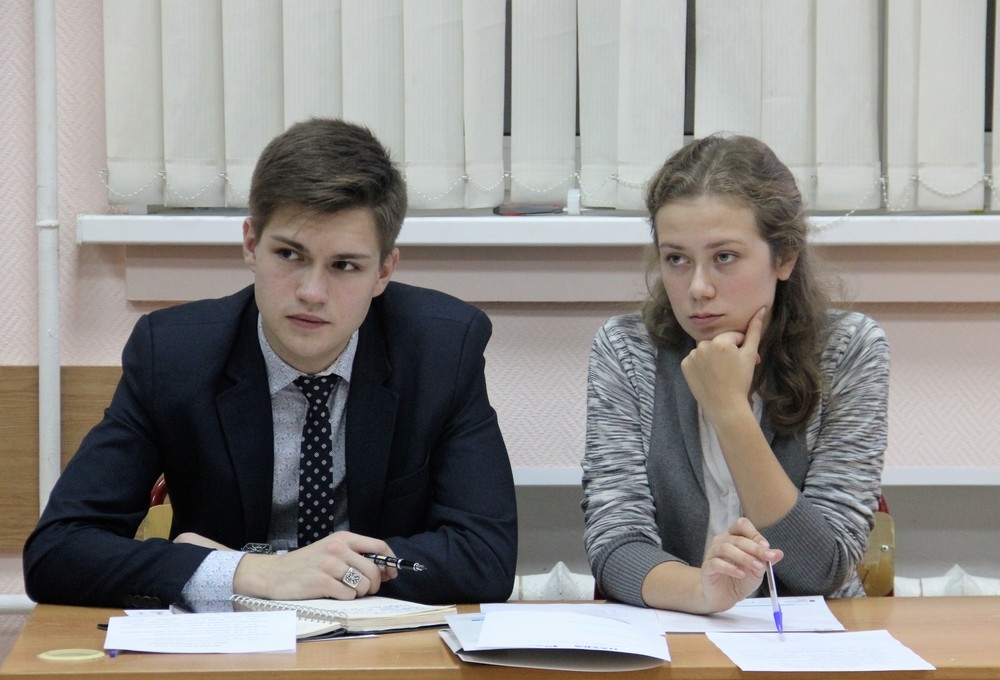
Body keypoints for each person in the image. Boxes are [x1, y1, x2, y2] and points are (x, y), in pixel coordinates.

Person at [24, 118, 518, 610]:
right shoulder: (173, 355)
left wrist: (325, 575)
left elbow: (486, 558)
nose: (312, 292)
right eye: (289, 254)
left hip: (378, 640)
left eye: (345, 265)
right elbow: (58, 552)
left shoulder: (441, 350)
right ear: (250, 245)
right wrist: (253, 573)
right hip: (228, 640)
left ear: (384, 271)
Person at [581, 133, 889, 614]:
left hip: (816, 632)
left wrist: (729, 411)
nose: (698, 288)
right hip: (676, 621)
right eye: (676, 259)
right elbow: (615, 544)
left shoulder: (848, 349)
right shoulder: (627, 349)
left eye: (724, 257)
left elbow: (821, 568)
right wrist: (703, 591)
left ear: (784, 257)